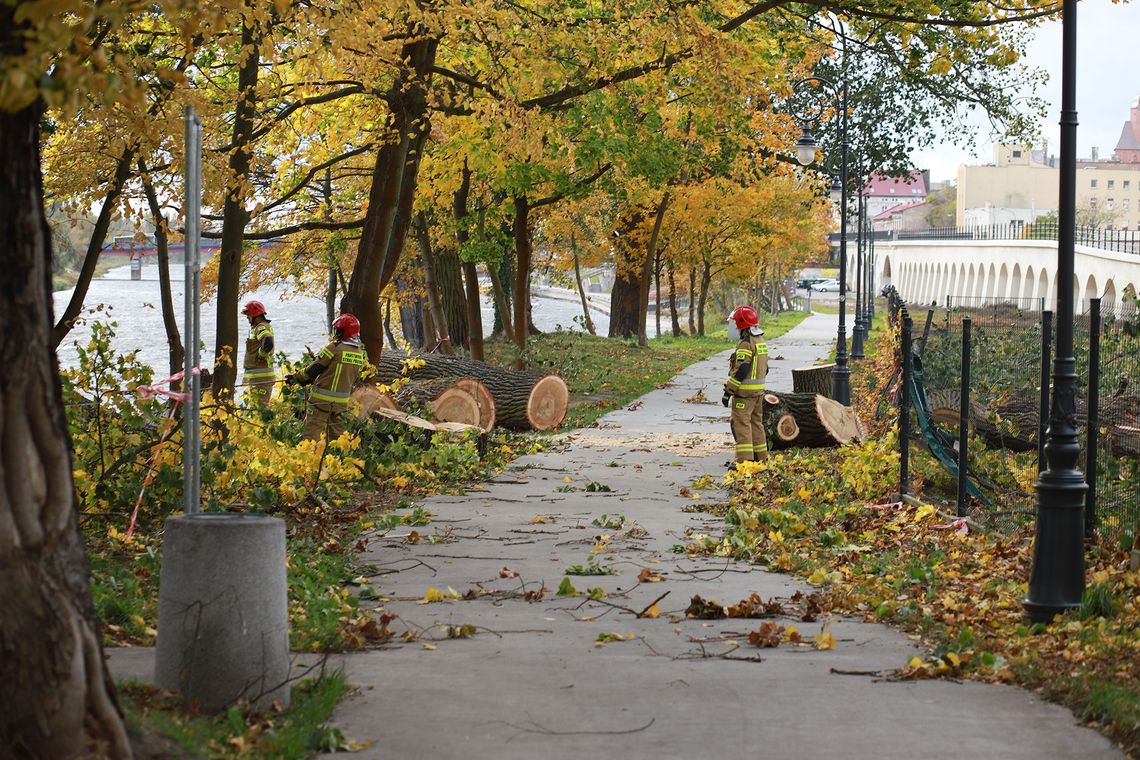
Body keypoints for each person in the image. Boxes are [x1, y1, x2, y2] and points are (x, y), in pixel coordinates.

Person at [287, 313, 365, 441]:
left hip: (321, 400)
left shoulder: (334, 347)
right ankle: (337, 459)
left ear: (342, 332)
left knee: (311, 434)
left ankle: (311, 459)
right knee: (337, 438)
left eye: (337, 330)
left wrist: (296, 378)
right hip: (341, 403)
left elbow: (313, 369)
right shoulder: (358, 353)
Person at [721, 306, 769, 464]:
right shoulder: (761, 341)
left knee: (742, 426)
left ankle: (744, 463)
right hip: (758, 394)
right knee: (756, 424)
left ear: (742, 324)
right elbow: (765, 369)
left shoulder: (745, 344)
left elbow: (741, 370)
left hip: (744, 395)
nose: (734, 327)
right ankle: (761, 458)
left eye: (736, 323)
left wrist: (728, 391)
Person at [241, 300, 276, 406]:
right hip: (257, 379)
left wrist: (262, 356)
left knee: (260, 409)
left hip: (261, 379)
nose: (247, 317)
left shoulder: (261, 327)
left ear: (255, 313)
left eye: (248, 314)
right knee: (254, 409)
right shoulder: (258, 327)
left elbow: (268, 341)